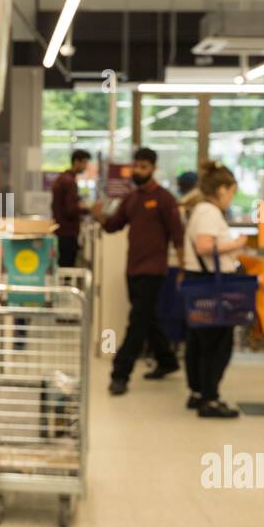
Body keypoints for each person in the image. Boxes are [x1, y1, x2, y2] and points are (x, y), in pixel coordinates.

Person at [91, 148, 184, 396]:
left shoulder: (164, 199)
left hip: (154, 270)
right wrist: (99, 216)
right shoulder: (131, 199)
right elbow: (113, 226)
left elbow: (178, 236)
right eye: (136, 166)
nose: (138, 171)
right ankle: (167, 360)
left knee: (137, 322)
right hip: (133, 269)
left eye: (144, 167)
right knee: (148, 317)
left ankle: (120, 374)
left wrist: (183, 267)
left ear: (153, 168)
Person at [183, 161, 248, 418]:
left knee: (199, 340)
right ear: (222, 189)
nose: (231, 198)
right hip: (212, 283)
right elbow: (204, 246)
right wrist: (237, 244)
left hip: (200, 280)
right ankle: (210, 398)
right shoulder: (209, 212)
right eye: (231, 192)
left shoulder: (200, 209)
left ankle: (198, 392)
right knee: (217, 342)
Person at [51, 149, 91, 267]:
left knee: (62, 266)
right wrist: (88, 210)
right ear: (76, 162)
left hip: (60, 230)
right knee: (67, 267)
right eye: (84, 163)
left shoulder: (62, 178)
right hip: (67, 232)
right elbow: (71, 210)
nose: (85, 166)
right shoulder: (69, 182)